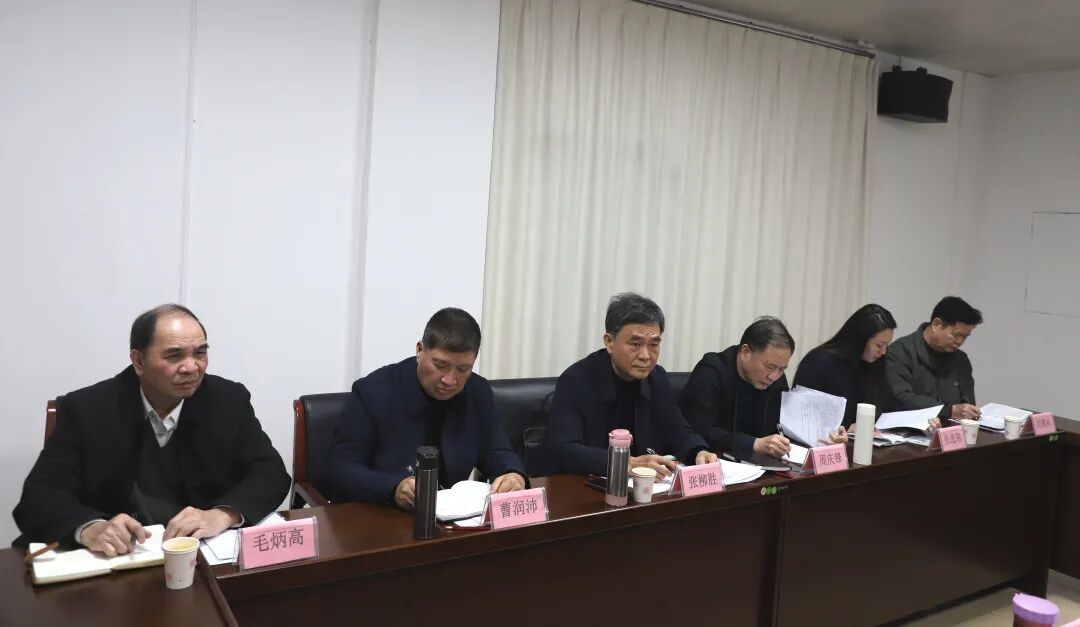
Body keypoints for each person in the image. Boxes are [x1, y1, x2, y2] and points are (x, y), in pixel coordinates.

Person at [13, 304, 290, 554]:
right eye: (174, 356)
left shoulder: (227, 400)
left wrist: (221, 515)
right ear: (138, 361)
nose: (191, 367)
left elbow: (270, 472)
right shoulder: (87, 409)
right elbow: (40, 497)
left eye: (200, 353)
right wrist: (91, 528)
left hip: (197, 553)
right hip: (120, 558)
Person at [326, 308, 526, 509]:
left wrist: (512, 474)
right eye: (440, 365)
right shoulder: (374, 391)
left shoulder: (477, 391)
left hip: (450, 517)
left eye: (463, 369)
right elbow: (340, 469)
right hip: (381, 513)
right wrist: (393, 488)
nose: (450, 379)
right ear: (420, 350)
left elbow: (497, 450)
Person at [545, 293, 718, 477]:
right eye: (635, 344)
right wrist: (626, 463)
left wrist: (698, 451)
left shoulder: (656, 377)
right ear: (609, 342)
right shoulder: (576, 380)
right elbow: (563, 450)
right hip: (586, 484)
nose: (645, 355)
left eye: (653, 345)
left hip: (645, 486)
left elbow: (676, 429)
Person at [679, 316, 831, 459]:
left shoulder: (776, 379)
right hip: (716, 462)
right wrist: (753, 444)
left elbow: (785, 425)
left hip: (762, 464)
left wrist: (827, 435)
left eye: (781, 369)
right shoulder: (711, 373)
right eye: (769, 366)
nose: (773, 376)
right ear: (745, 352)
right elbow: (698, 431)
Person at [793, 304, 898, 431]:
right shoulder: (819, 362)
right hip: (826, 441)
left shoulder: (875, 364)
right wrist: (846, 429)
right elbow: (802, 418)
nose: (883, 352)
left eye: (887, 345)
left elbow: (889, 405)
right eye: (879, 345)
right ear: (860, 338)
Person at [886, 296, 982, 421]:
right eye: (956, 335)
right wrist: (949, 411)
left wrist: (969, 412)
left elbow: (967, 403)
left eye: (965, 336)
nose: (960, 341)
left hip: (951, 430)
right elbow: (901, 398)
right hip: (908, 429)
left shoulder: (961, 360)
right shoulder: (900, 352)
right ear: (936, 324)